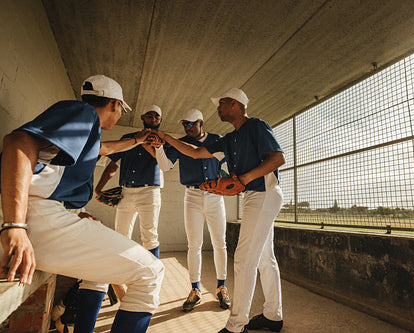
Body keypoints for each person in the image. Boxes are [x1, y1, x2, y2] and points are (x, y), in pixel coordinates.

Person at [0, 74, 164, 333]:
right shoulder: (84, 112)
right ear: (114, 104)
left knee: (100, 273)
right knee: (151, 272)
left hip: (41, 214)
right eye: (121, 108)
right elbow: (17, 142)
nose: (120, 114)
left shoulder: (86, 128)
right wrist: (14, 226)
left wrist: (139, 139)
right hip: (29, 215)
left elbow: (105, 149)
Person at [153, 88, 285, 333]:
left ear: (235, 104)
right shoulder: (229, 138)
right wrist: (165, 137)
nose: (218, 107)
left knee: (244, 259)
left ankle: (236, 325)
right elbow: (193, 152)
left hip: (264, 193)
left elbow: (277, 159)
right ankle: (273, 316)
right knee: (265, 258)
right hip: (253, 195)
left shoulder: (256, 126)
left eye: (221, 103)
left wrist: (243, 179)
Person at [155, 108, 231, 312]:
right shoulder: (178, 143)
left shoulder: (217, 139)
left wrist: (223, 181)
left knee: (219, 243)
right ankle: (195, 290)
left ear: (201, 123)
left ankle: (221, 287)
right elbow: (164, 166)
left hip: (216, 196)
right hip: (192, 196)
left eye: (191, 124)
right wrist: (158, 148)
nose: (187, 128)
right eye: (184, 124)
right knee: (194, 244)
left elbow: (228, 164)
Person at [94, 104, 165, 258]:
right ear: (142, 117)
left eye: (156, 116)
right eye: (149, 115)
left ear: (160, 120)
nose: (153, 119)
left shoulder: (163, 141)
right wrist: (98, 188)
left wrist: (148, 143)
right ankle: (120, 276)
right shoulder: (128, 138)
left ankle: (152, 275)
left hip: (150, 192)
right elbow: (113, 165)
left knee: (150, 236)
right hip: (126, 192)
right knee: (121, 235)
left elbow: (165, 163)